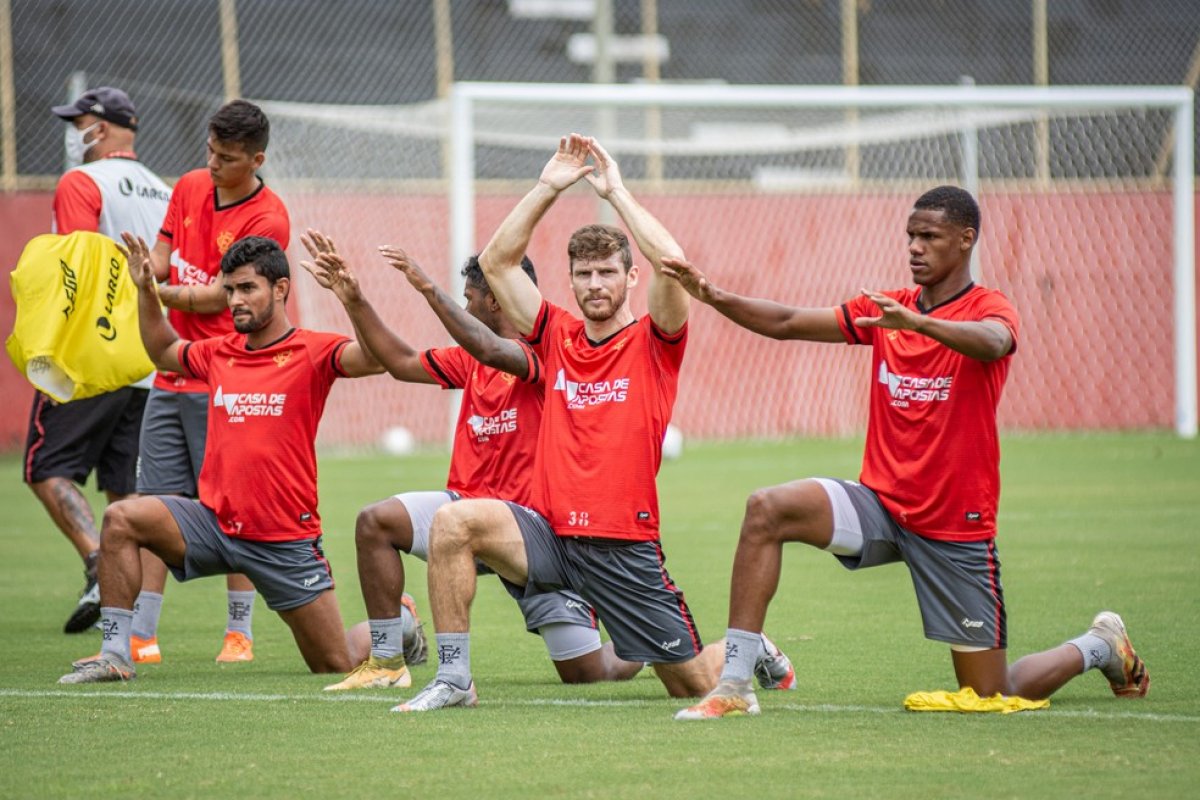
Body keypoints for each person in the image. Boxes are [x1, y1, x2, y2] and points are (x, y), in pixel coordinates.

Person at [668, 185, 1149, 720]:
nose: (915, 247)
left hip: (953, 525)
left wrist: (918, 324)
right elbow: (785, 322)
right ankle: (733, 684)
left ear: (965, 240)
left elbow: (992, 342)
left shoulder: (988, 308)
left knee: (993, 691)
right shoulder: (887, 311)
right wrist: (713, 296)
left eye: (929, 236)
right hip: (881, 506)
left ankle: (1100, 645)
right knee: (768, 508)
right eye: (911, 236)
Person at [394, 134, 795, 712]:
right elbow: (496, 264)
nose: (594, 285)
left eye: (608, 272)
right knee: (455, 523)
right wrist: (547, 188)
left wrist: (617, 192)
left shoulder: (654, 341)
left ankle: (748, 651)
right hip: (551, 535)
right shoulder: (554, 333)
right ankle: (454, 679)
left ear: (630, 279)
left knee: (690, 684)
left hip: (623, 546)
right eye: (583, 274)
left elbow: (673, 264)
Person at [299, 231, 644, 692]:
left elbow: (490, 348)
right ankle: (387, 661)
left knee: (586, 673)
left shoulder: (546, 354)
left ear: (497, 301)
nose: (465, 307)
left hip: (532, 529)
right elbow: (401, 362)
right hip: (461, 511)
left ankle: (645, 641)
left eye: (470, 299)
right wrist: (354, 298)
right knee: (376, 522)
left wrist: (428, 290)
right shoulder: (470, 360)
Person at [59, 235, 385, 684]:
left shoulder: (313, 350)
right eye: (229, 290)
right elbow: (164, 352)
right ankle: (115, 653)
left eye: (248, 288)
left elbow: (376, 358)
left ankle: (401, 627)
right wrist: (146, 292)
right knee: (121, 518)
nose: (235, 300)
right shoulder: (220, 351)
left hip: (283, 540)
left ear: (281, 289)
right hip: (213, 524)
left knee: (335, 663)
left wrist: (354, 300)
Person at [131, 99, 290, 665]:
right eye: (210, 151)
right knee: (153, 507)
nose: (214, 163)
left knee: (232, 510)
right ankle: (141, 635)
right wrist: (145, 270)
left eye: (226, 157)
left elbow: (220, 295)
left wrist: (157, 293)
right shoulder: (190, 186)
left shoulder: (268, 217)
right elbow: (164, 255)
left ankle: (238, 633)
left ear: (256, 159)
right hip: (171, 370)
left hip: (226, 374)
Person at [25, 87, 171, 634]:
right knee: (125, 494)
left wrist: (52, 340)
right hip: (149, 359)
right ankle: (127, 625)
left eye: (79, 121)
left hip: (92, 353)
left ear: (102, 127)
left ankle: (94, 561)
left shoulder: (81, 181)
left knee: (47, 468)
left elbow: (77, 265)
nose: (74, 130)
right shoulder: (165, 192)